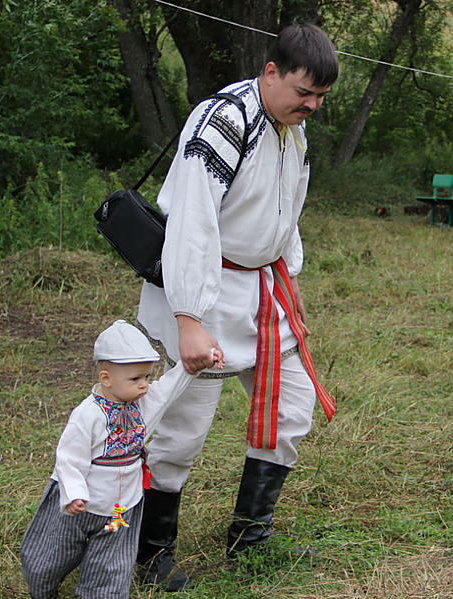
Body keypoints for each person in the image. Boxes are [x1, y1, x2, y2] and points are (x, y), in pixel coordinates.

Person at [134, 23, 339, 591]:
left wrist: (285, 271)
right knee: (180, 430)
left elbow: (285, 209)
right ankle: (151, 553)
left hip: (262, 294)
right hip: (203, 290)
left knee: (290, 408)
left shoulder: (290, 128)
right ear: (270, 72)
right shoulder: (222, 121)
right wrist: (189, 319)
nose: (313, 106)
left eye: (321, 97)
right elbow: (192, 224)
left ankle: (249, 535)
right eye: (305, 92)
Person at [20, 320, 211, 599]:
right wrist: (73, 493)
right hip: (80, 502)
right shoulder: (88, 415)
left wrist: (191, 366)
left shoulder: (142, 405)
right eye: (135, 379)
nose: (144, 385)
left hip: (122, 505)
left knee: (111, 566)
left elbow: (168, 390)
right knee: (49, 557)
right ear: (106, 378)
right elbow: (69, 458)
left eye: (146, 377)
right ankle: (43, 589)